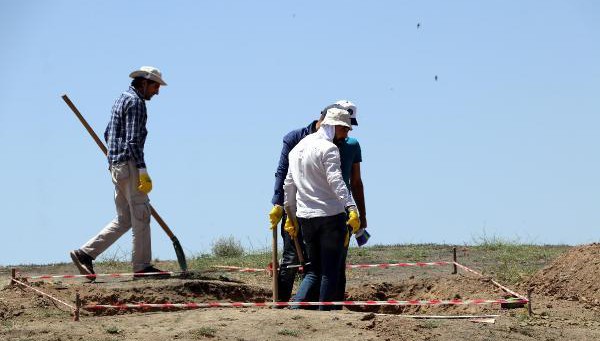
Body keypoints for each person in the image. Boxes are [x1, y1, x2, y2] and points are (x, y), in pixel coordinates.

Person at [70, 66, 169, 279]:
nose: (157, 91)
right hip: (129, 165)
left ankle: (85, 253)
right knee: (141, 215)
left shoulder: (121, 99)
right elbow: (133, 140)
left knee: (125, 219)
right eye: (155, 86)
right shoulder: (136, 103)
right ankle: (142, 267)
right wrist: (141, 169)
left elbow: (108, 132)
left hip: (116, 166)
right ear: (143, 83)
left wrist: (116, 158)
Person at [283, 108, 361, 310]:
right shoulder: (328, 149)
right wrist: (351, 207)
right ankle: (324, 318)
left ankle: (295, 311)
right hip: (330, 216)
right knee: (330, 271)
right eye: (345, 129)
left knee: (313, 271)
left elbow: (289, 185)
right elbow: (337, 181)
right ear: (335, 126)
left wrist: (290, 215)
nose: (346, 135)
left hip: (305, 217)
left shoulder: (297, 149)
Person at [268, 111, 326, 302]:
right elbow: (282, 171)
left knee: (313, 256)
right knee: (291, 256)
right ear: (322, 118)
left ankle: (308, 301)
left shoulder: (332, 142)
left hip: (318, 207)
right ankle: (282, 300)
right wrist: (278, 203)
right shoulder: (293, 138)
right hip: (293, 203)